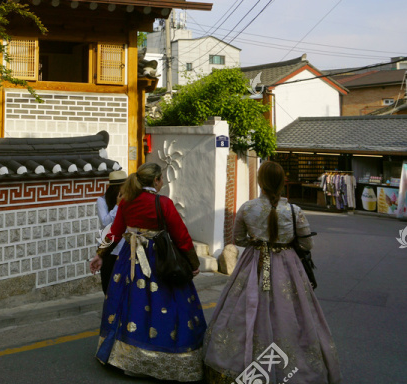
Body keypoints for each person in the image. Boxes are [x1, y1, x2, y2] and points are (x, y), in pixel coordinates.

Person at [202, 161, 342, 384]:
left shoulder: (248, 208)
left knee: (244, 310)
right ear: (282, 182)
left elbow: (238, 239)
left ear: (260, 182)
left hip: (254, 263)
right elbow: (307, 246)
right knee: (292, 314)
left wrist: (257, 242)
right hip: (288, 266)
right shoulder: (295, 211)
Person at [89, 162, 204, 381]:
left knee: (131, 305)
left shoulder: (126, 202)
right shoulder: (164, 203)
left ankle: (126, 357)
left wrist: (100, 255)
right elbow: (181, 236)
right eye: (162, 179)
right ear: (156, 181)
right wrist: (192, 262)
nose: (163, 183)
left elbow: (114, 232)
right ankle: (162, 357)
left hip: (129, 262)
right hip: (159, 260)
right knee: (165, 304)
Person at [95, 169, 126, 296]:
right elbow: (105, 222)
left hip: (125, 248)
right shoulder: (102, 201)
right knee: (108, 286)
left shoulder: (128, 200)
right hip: (109, 249)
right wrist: (117, 206)